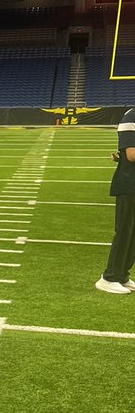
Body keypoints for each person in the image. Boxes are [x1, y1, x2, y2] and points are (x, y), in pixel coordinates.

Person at [94, 105, 135, 294]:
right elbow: (132, 154)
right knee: (124, 231)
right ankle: (109, 277)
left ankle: (121, 275)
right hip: (129, 185)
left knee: (133, 234)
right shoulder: (131, 116)